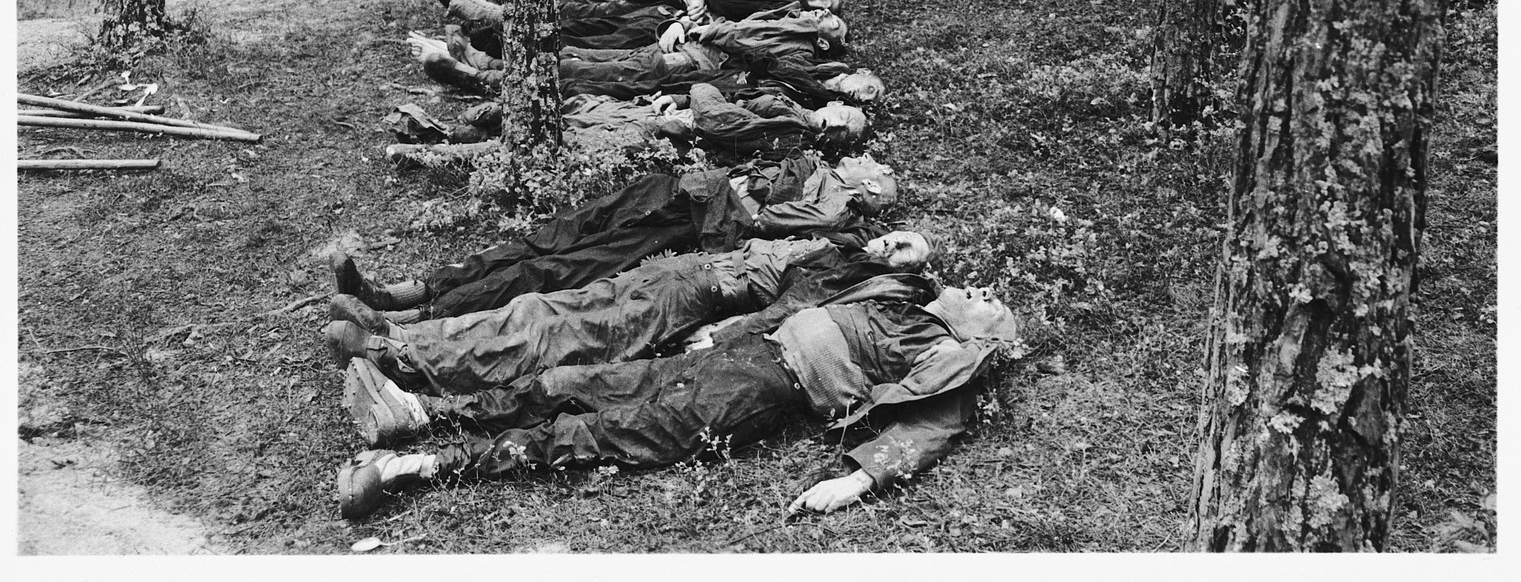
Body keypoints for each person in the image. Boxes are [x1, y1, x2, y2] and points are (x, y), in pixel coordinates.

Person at [334, 282, 1017, 519]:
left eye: (990, 301)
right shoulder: (909, 303)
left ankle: (410, 470)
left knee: (592, 433)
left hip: (761, 392)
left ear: (983, 335)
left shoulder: (952, 362)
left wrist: (856, 479)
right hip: (739, 354)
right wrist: (726, 330)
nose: (978, 290)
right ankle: (421, 415)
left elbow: (929, 430)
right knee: (568, 383)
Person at [322, 231, 933, 398]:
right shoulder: (842, 240)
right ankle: (406, 332)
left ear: (901, 271)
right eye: (895, 237)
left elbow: (791, 307)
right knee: (539, 305)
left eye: (902, 251)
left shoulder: (849, 276)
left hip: (690, 300)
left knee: (555, 334)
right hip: (671, 272)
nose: (889, 245)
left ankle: (404, 359)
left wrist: (724, 332)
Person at [331, 153, 901, 321]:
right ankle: (409, 288)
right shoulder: (820, 170)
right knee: (554, 235)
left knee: (559, 269)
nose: (861, 156)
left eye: (869, 163)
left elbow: (763, 224)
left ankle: (413, 317)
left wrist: (729, 193)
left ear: (871, 187)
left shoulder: (840, 206)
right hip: (681, 194)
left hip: (696, 223)